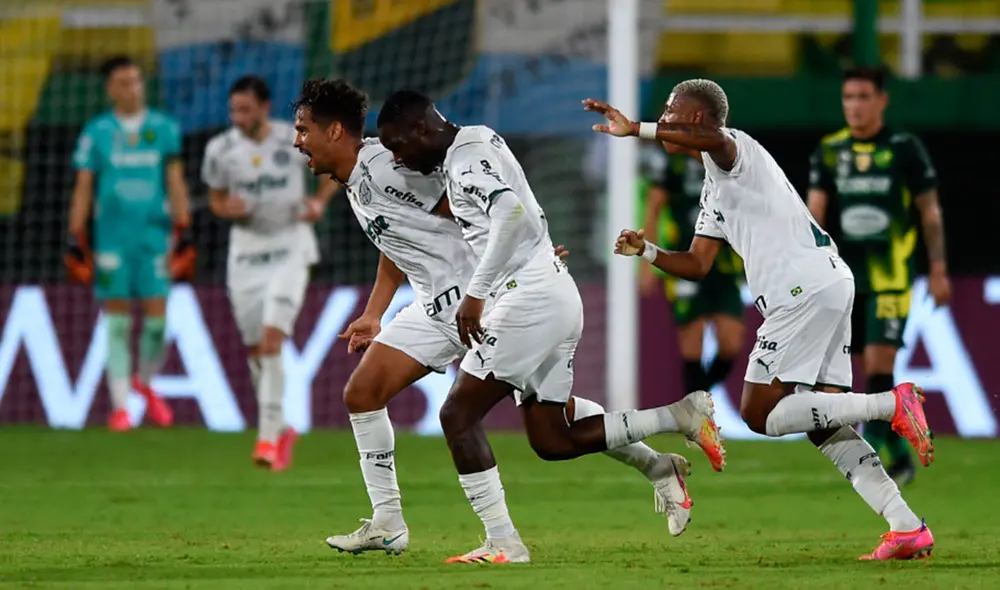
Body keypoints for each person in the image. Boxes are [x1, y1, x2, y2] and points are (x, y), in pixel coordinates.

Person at [291, 78, 701, 560]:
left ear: (335, 131)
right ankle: (387, 522)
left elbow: (476, 212)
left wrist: (524, 258)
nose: (297, 141)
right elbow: (394, 242)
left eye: (303, 130)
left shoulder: (388, 167)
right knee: (363, 393)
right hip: (436, 307)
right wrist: (374, 313)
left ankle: (507, 541)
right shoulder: (358, 180)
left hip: (481, 303)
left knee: (527, 421)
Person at [587, 78, 935, 561]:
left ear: (694, 118)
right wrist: (645, 250)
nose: (664, 118)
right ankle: (905, 527)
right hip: (828, 282)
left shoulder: (736, 150)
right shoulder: (714, 188)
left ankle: (889, 404)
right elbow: (698, 263)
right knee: (825, 421)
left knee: (758, 412)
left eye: (671, 111)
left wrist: (636, 130)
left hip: (801, 291)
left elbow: (715, 138)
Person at [807, 66, 951, 486]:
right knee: (847, 372)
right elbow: (814, 213)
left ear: (882, 100)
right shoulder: (830, 150)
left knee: (878, 361)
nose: (854, 106)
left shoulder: (905, 148)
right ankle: (895, 450)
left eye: (863, 97)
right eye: (848, 97)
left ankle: (876, 450)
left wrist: (939, 268)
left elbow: (930, 213)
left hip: (892, 275)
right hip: (844, 277)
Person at [201, 75, 335, 471]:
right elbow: (216, 199)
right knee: (255, 348)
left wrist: (318, 203)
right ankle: (283, 428)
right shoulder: (221, 150)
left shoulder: (292, 138)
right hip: (246, 251)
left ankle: (267, 437)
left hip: (289, 245)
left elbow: (330, 169)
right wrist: (228, 209)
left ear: (264, 106)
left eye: (245, 109)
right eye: (233, 111)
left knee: (273, 338)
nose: (238, 117)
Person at [68, 55, 190, 431]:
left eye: (136, 81)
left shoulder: (163, 127)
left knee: (156, 324)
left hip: (154, 236)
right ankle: (121, 407)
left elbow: (174, 179)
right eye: (124, 82)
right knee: (117, 323)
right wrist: (75, 235)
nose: (132, 88)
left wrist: (186, 228)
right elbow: (84, 186)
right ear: (110, 89)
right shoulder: (97, 132)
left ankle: (146, 381)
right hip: (111, 239)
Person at [642, 147, 745, 395]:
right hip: (685, 263)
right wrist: (647, 263)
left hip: (724, 265)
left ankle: (695, 399)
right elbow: (654, 207)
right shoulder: (672, 164)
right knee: (692, 342)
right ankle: (697, 421)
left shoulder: (729, 158)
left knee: (731, 343)